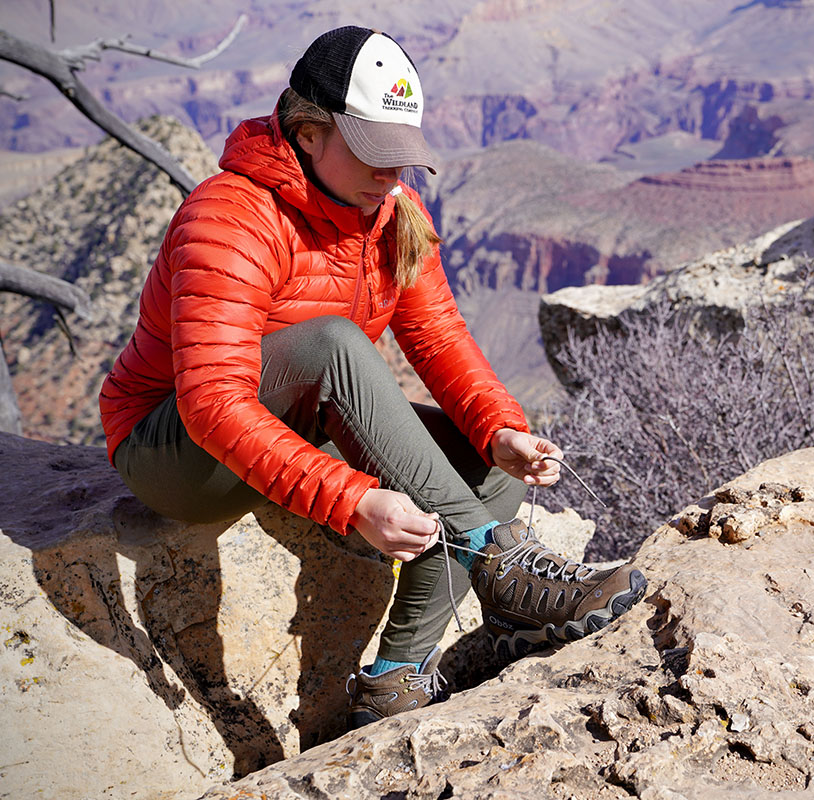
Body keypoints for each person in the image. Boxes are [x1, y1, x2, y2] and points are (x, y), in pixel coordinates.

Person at [98, 25, 646, 730]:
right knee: (334, 343)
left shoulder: (391, 216)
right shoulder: (230, 215)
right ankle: (500, 563)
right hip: (175, 449)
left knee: (487, 465)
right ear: (306, 131)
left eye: (401, 157)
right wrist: (352, 501)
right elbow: (212, 404)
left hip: (292, 419)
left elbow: (438, 336)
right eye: (372, 153)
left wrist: (503, 427)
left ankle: (397, 677)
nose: (391, 175)